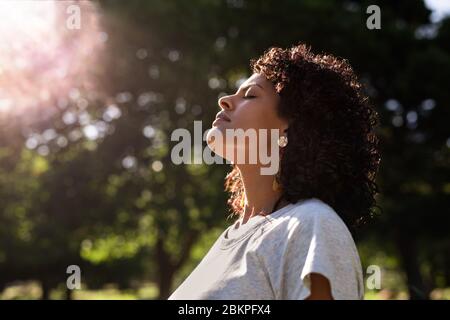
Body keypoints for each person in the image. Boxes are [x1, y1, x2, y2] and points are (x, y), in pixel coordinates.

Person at [168, 43, 381, 300]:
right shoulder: (234, 235)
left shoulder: (311, 225)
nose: (224, 100)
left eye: (250, 95)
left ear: (292, 129)